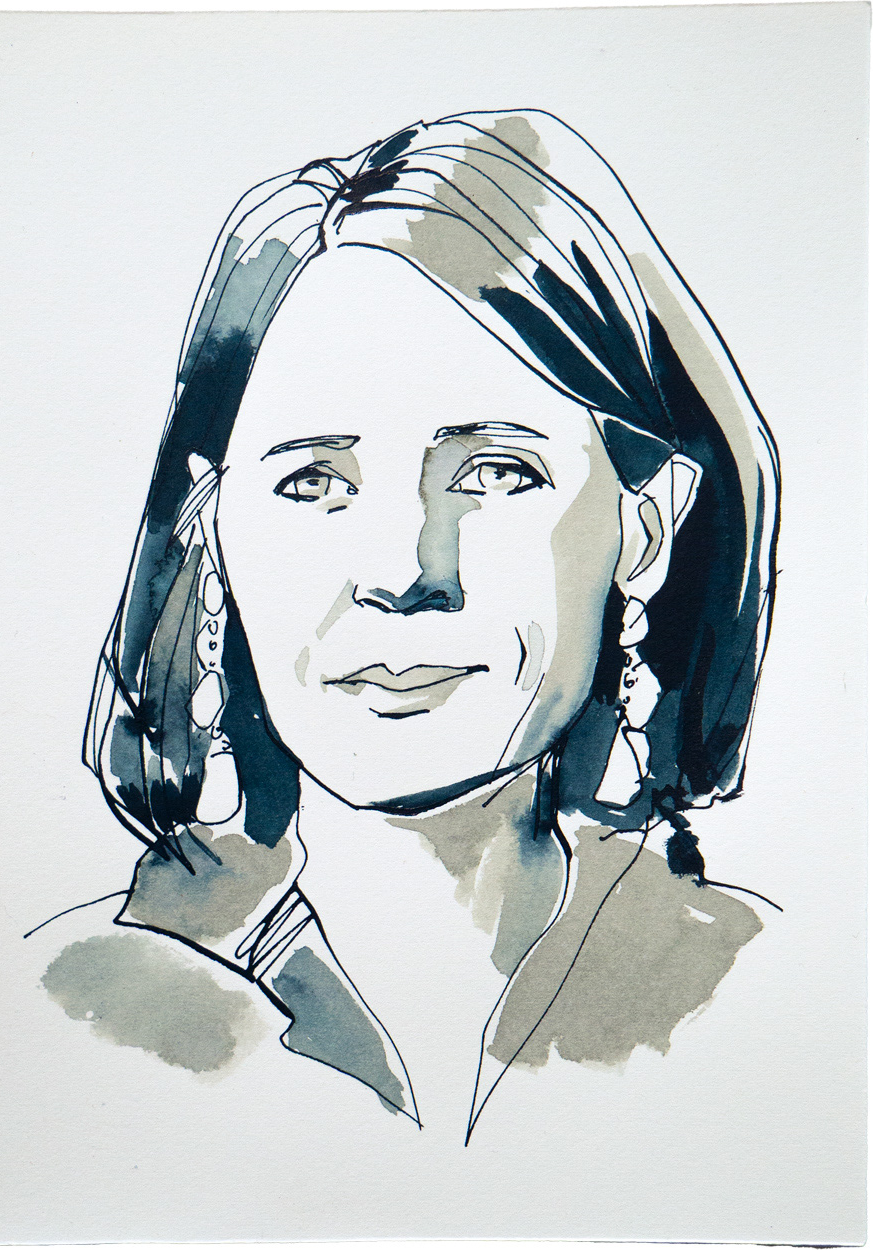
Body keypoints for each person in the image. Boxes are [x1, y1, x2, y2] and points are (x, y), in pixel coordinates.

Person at [45, 109, 780, 1142]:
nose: (402, 573)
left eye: (494, 473)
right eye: (312, 481)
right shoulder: (57, 1014)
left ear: (645, 528)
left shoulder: (777, 991)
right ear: (211, 531)